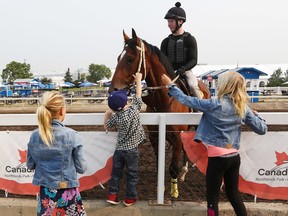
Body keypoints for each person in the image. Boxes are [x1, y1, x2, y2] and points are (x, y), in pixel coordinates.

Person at [161, 71, 267, 216]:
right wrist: (256, 115)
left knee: (212, 198)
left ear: (225, 85)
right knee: (233, 194)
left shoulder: (214, 104)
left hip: (217, 159)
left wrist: (170, 85)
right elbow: (262, 129)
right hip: (234, 158)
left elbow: (186, 100)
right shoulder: (243, 107)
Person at [26, 91, 87, 216]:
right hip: (68, 192)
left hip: (46, 193)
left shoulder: (34, 136)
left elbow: (30, 165)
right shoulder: (71, 135)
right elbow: (82, 168)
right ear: (62, 111)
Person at [104, 72, 146, 207]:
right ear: (127, 101)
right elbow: (138, 95)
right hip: (132, 151)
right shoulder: (134, 110)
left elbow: (107, 126)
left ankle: (112, 195)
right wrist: (138, 80)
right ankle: (130, 198)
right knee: (132, 175)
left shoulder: (116, 117)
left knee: (116, 174)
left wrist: (107, 113)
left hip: (119, 150)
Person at [161, 2, 202, 98]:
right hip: (169, 72)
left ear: (180, 21)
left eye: (171, 21)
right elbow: (162, 61)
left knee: (193, 85)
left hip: (185, 71)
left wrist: (183, 69)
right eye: (168, 22)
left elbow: (194, 60)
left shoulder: (190, 39)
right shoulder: (165, 42)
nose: (168, 24)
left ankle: (201, 110)